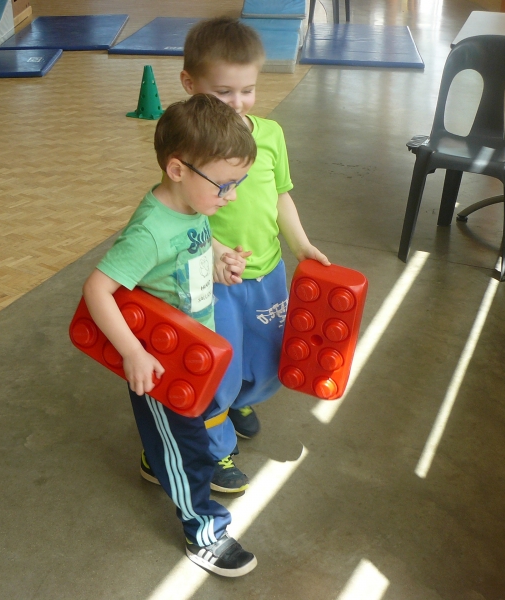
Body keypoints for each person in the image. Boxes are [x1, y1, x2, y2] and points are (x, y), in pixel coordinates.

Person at [82, 94, 258, 577]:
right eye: (225, 185)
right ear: (178, 169)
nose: (232, 196)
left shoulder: (190, 204)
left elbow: (191, 243)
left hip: (192, 347)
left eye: (238, 183)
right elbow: (97, 289)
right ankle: (204, 531)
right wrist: (133, 353)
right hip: (163, 363)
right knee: (192, 450)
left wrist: (219, 260)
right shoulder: (149, 232)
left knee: (184, 433)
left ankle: (155, 457)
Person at [177, 17, 330, 492]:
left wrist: (300, 245)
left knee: (267, 359)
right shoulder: (188, 146)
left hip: (268, 273)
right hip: (214, 281)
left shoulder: (271, 135)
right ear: (190, 85)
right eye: (223, 92)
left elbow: (281, 195)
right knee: (216, 368)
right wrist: (214, 249)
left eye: (248, 90)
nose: (238, 103)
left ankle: (239, 401)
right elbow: (177, 213)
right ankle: (214, 447)